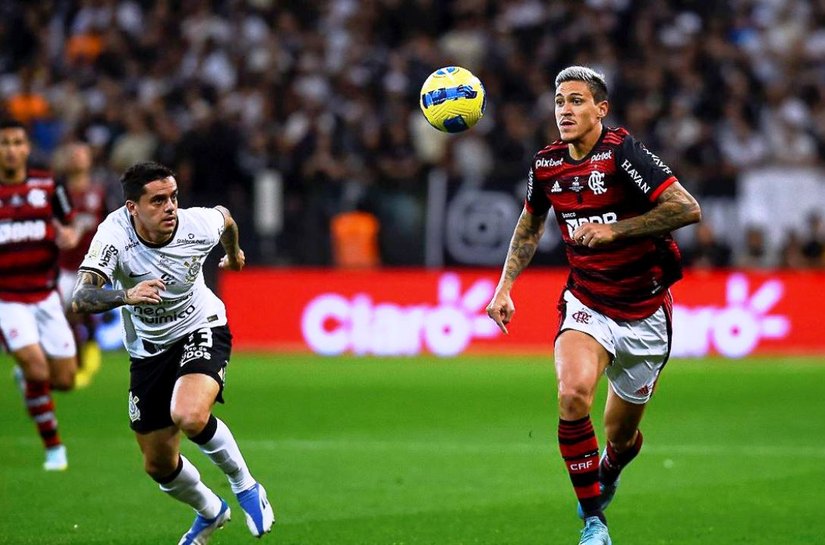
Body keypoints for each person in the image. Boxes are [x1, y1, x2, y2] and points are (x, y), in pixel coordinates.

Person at [486, 67, 701, 545]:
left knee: (621, 439)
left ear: (601, 109)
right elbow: (529, 225)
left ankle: (611, 466)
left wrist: (615, 230)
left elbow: (687, 209)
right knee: (572, 395)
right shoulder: (545, 166)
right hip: (587, 302)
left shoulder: (623, 153)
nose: (565, 110)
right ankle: (593, 522)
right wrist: (504, 288)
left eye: (577, 101)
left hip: (645, 313)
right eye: (560, 101)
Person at [71, 161, 275, 543]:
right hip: (148, 349)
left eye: (174, 197)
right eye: (158, 200)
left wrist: (233, 254)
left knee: (190, 415)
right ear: (132, 207)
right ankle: (211, 512)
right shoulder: (113, 235)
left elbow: (226, 220)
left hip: (201, 325)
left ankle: (246, 486)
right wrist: (126, 294)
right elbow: (81, 297)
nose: (170, 208)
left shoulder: (195, 225)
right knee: (158, 463)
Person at [0, 118, 80, 471]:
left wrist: (71, 235)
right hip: (8, 299)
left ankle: (28, 379)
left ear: (27, 148)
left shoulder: (48, 185)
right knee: (36, 368)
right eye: (4, 143)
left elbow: (71, 223)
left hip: (46, 296)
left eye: (17, 142)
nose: (11, 150)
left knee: (64, 380)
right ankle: (54, 448)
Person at [54, 141, 109, 386]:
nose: (77, 159)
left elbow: (110, 224)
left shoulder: (98, 192)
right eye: (73, 155)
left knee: (76, 312)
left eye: (82, 155)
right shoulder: (58, 193)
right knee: (64, 318)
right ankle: (75, 360)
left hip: (91, 265)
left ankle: (85, 355)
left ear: (89, 160)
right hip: (62, 267)